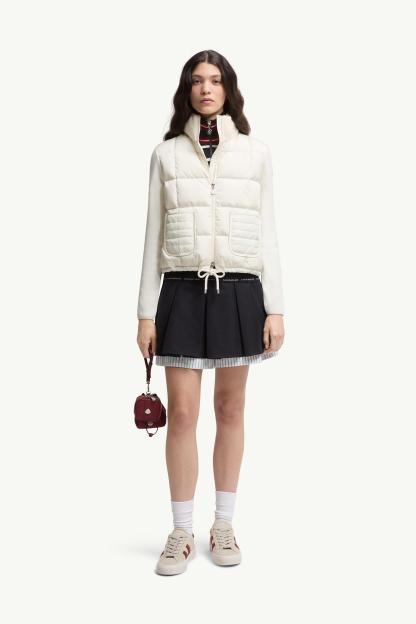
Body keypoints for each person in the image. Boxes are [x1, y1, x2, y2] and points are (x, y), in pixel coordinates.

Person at [136, 50, 285, 575]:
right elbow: (153, 235)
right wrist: (145, 313)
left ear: (228, 89)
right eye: (197, 81)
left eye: (215, 80)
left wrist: (275, 308)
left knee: (230, 409)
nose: (206, 88)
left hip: (240, 290)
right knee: (182, 413)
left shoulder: (256, 154)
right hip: (180, 290)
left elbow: (268, 232)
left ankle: (223, 524)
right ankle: (181, 530)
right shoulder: (166, 155)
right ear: (187, 89)